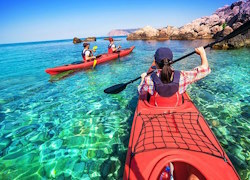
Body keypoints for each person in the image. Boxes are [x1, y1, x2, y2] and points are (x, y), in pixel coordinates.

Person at [138, 47, 211, 106]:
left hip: (156, 108)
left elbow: (141, 92)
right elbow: (205, 69)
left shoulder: (148, 79)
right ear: (171, 61)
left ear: (155, 62)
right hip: (176, 107)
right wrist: (202, 53)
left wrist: (143, 78)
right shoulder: (183, 76)